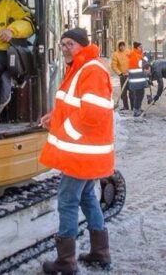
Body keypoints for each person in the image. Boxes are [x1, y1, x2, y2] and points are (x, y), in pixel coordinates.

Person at [39, 28, 114, 274]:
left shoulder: (90, 69)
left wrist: (65, 130)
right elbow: (75, 106)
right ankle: (100, 253)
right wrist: (55, 117)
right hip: (86, 152)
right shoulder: (81, 68)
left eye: (70, 44)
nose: (65, 49)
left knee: (67, 200)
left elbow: (92, 114)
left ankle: (66, 261)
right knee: (87, 197)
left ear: (83, 44)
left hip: (82, 153)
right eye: (62, 45)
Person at [126, 41, 147, 117]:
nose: (142, 48)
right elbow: (141, 66)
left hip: (138, 79)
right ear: (137, 47)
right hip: (137, 79)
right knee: (139, 95)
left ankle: (138, 108)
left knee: (140, 94)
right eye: (140, 47)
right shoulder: (135, 55)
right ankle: (136, 110)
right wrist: (145, 60)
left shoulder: (137, 54)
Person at [110, 41, 130, 110]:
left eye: (123, 45)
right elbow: (113, 66)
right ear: (118, 46)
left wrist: (131, 70)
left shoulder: (128, 52)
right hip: (123, 76)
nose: (122, 47)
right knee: (123, 92)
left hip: (130, 75)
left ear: (125, 46)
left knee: (132, 91)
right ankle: (126, 106)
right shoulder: (115, 54)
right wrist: (120, 73)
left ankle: (133, 106)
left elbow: (132, 60)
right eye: (120, 46)